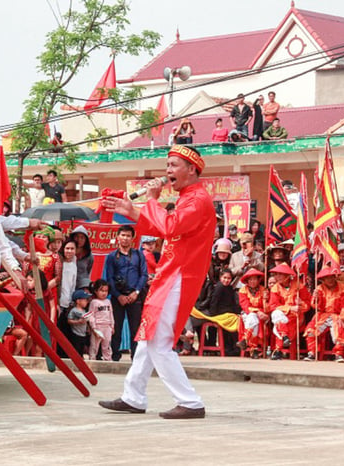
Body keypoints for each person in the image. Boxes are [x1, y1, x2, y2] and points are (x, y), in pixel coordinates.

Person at [98, 144, 215, 420]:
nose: (167, 171)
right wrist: (134, 211)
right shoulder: (188, 197)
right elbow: (163, 227)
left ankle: (190, 401)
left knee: (159, 341)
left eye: (173, 165)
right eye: (167, 165)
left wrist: (150, 200)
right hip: (170, 273)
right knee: (148, 337)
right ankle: (134, 396)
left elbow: (171, 227)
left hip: (180, 276)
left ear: (192, 169)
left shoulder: (197, 200)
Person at [103, 224, 148, 361]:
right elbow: (109, 277)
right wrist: (118, 295)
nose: (125, 238)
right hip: (118, 297)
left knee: (135, 328)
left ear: (132, 238)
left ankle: (136, 357)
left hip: (135, 296)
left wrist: (136, 292)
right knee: (115, 327)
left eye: (128, 236)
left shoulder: (139, 255)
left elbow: (144, 275)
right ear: (117, 237)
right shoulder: (111, 257)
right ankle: (115, 356)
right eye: (123, 235)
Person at [303, 267, 344, 362]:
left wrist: (342, 317)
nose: (330, 279)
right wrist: (316, 299)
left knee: (339, 328)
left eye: (331, 277)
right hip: (323, 315)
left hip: (337, 315)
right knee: (311, 328)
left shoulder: (343, 288)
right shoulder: (319, 288)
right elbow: (316, 307)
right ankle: (312, 352)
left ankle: (338, 354)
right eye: (327, 278)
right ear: (323, 279)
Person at [268, 263, 312, 360]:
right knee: (276, 315)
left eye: (280, 274)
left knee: (278, 321)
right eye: (276, 274)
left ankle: (278, 349)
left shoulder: (299, 286)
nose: (277, 277)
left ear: (287, 275)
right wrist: (289, 308)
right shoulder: (275, 288)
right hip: (282, 315)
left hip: (296, 316)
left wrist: (301, 304)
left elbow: (308, 304)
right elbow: (273, 306)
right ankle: (283, 339)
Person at [236, 269, 268, 358]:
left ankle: (246, 340)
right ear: (247, 281)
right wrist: (257, 311)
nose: (252, 281)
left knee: (253, 319)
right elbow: (245, 305)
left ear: (258, 280)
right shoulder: (243, 290)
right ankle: (253, 348)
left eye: (254, 279)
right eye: (250, 279)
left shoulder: (263, 290)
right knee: (252, 317)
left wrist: (265, 300)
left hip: (262, 314)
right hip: (248, 313)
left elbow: (267, 307)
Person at [86, 279, 114, 361]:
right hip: (98, 327)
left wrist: (112, 326)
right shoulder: (94, 302)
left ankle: (108, 360)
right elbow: (91, 316)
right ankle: (92, 360)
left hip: (107, 326)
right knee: (94, 346)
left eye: (106, 291)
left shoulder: (108, 302)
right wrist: (94, 328)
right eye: (101, 290)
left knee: (107, 345)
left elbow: (110, 314)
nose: (104, 293)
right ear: (95, 291)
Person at [67, 289, 91, 356]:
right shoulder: (74, 311)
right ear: (78, 301)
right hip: (76, 334)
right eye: (85, 300)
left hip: (83, 334)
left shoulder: (84, 311)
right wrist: (78, 321)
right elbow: (69, 320)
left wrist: (88, 328)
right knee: (76, 349)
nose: (87, 301)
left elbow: (85, 321)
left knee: (81, 349)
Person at [57, 238, 78, 315]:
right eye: (67, 248)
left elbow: (73, 284)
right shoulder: (59, 263)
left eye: (72, 249)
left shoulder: (74, 264)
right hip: (59, 303)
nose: (69, 251)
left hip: (68, 303)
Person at [70, 225, 93, 290]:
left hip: (82, 286)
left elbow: (88, 270)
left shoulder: (89, 255)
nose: (79, 240)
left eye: (82, 237)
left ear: (86, 240)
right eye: (77, 237)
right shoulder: (67, 252)